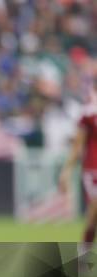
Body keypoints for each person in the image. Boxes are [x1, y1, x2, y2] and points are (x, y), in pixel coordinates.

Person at [59, 87, 97, 252]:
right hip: (93, 169)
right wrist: (66, 171)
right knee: (95, 210)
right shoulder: (89, 111)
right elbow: (78, 144)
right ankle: (84, 255)